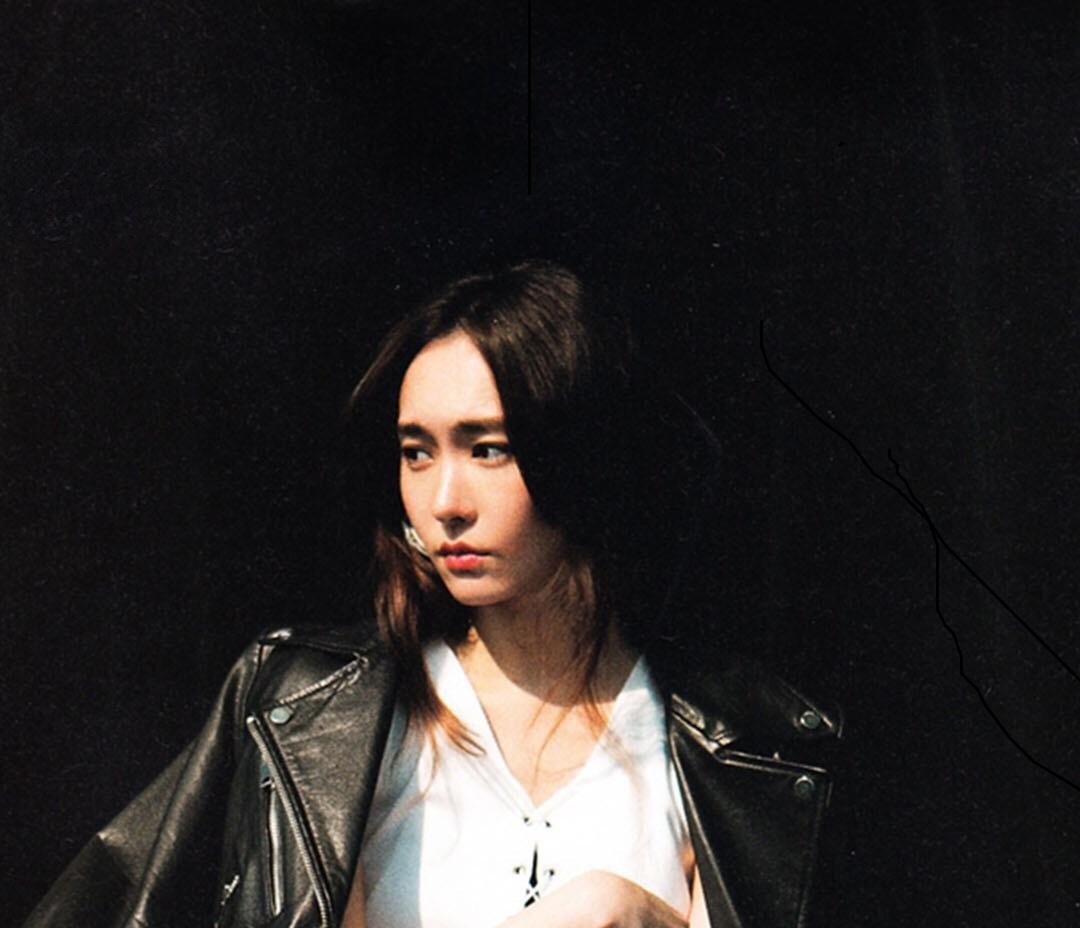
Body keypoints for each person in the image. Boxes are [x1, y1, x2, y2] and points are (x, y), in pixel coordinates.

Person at [24, 261, 842, 928]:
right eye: (417, 452)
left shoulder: (744, 749)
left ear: (583, 456)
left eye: (488, 449)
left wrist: (637, 913)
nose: (445, 500)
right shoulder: (307, 709)